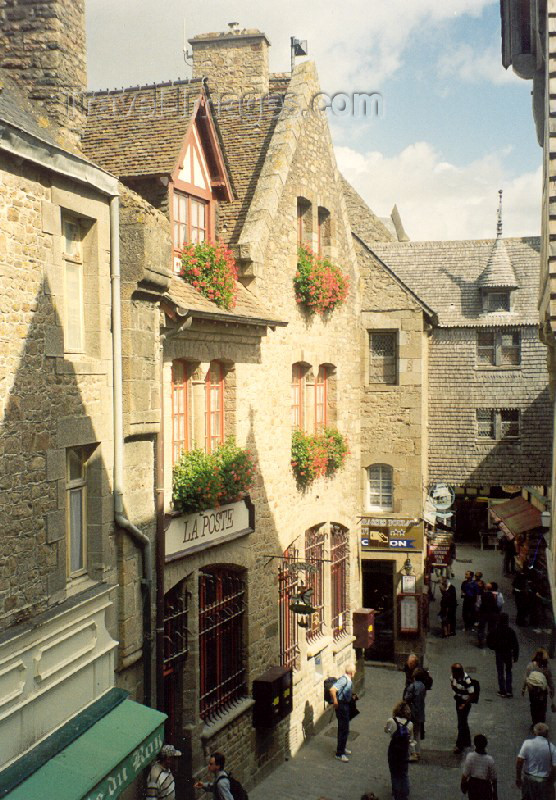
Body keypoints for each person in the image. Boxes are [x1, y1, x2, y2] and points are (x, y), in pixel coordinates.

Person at [516, 722, 556, 799]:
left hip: (529, 780)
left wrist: (518, 777)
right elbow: (555, 767)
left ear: (535, 733)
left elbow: (519, 761)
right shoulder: (552, 748)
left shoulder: (527, 744)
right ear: (547, 734)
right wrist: (551, 781)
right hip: (544, 782)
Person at [385, 701, 414, 800]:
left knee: (394, 773)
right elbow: (411, 740)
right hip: (404, 751)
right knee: (404, 772)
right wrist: (412, 753)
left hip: (393, 750)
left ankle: (396, 794)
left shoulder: (391, 721)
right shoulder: (410, 724)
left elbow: (386, 730)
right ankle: (405, 793)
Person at [487, 612, 519, 697]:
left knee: (500, 671)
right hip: (508, 653)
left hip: (499, 652)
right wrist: (516, 655)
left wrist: (493, 647)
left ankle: (502, 690)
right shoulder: (510, 631)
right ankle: (509, 690)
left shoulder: (495, 630)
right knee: (508, 671)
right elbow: (515, 644)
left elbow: (489, 640)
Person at [330, 662, 356, 762]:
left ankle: (342, 748)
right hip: (342, 706)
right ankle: (339, 753)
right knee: (343, 729)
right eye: (354, 671)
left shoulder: (347, 679)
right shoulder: (344, 679)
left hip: (345, 705)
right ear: (351, 672)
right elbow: (332, 689)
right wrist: (335, 701)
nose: (355, 672)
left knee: (345, 728)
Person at [522, 649, 555, 726]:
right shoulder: (546, 668)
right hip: (542, 691)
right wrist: (552, 692)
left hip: (532, 690)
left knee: (533, 705)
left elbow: (526, 678)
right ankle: (541, 723)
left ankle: (535, 722)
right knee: (542, 707)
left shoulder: (530, 666)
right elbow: (550, 682)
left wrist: (523, 689)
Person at [461, 734, 497, 800]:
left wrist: (463, 785)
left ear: (475, 744)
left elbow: (465, 775)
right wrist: (495, 793)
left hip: (473, 786)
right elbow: (494, 779)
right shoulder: (489, 760)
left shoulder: (470, 757)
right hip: (485, 787)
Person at [403, 666, 427, 761]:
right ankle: (418, 752)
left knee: (410, 733)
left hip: (413, 712)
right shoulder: (423, 686)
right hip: (420, 711)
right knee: (417, 733)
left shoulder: (412, 686)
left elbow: (406, 698)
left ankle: (412, 753)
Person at [451, 662, 475, 754]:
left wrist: (464, 704)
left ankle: (459, 745)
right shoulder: (453, 676)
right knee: (463, 721)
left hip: (465, 703)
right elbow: (452, 683)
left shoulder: (467, 679)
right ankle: (467, 741)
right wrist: (455, 693)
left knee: (461, 723)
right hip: (459, 701)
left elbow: (472, 694)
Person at [477, 583, 500, 648]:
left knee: (481, 628)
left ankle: (481, 642)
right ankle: (491, 642)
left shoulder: (483, 594)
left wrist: (478, 610)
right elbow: (499, 604)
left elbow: (478, 604)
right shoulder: (498, 595)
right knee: (492, 628)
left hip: (484, 613)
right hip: (493, 613)